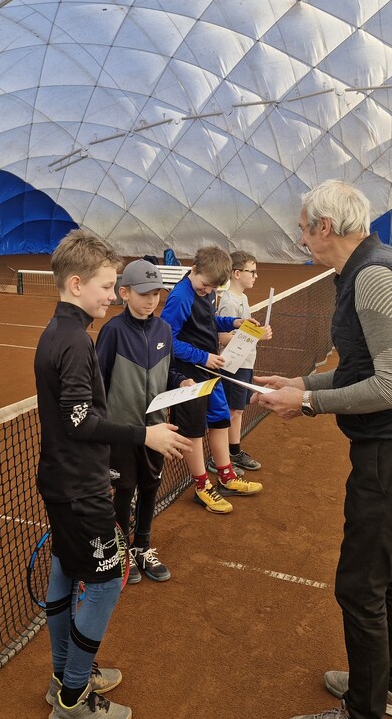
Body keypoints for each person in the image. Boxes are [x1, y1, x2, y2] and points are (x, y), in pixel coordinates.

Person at [254, 180, 392, 719]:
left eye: (303, 228)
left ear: (324, 226)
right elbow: (361, 370)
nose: (301, 238)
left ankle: (364, 709)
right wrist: (301, 382)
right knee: (390, 571)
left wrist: (307, 403)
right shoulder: (370, 268)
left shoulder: (374, 276)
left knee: (360, 587)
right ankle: (390, 686)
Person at [35, 230, 192, 719]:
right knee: (104, 584)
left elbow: (73, 418)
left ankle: (64, 678)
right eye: (106, 286)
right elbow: (80, 420)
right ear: (76, 284)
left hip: (63, 480)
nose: (111, 295)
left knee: (65, 572)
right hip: (79, 488)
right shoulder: (75, 341)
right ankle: (74, 697)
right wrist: (145, 435)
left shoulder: (57, 332)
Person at [95, 259, 193, 584]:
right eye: (144, 294)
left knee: (150, 487)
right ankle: (121, 550)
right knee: (124, 490)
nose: (151, 300)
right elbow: (99, 383)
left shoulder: (164, 330)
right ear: (124, 293)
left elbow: (169, 371)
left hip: (157, 430)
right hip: (123, 432)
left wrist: (180, 382)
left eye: (156, 293)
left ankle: (142, 547)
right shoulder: (112, 332)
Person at [160, 246, 264, 514]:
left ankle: (226, 476)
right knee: (194, 431)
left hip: (210, 371)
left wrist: (232, 322)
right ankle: (202, 486)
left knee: (220, 419)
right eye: (205, 286)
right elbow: (166, 339)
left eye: (213, 288)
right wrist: (203, 357)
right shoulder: (180, 297)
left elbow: (207, 323)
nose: (207, 291)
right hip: (188, 377)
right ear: (193, 269)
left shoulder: (206, 290)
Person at [209, 250, 273, 474]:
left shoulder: (242, 298)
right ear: (237, 273)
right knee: (230, 411)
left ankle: (233, 452)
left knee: (237, 411)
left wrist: (255, 332)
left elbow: (241, 332)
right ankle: (218, 458)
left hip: (244, 363)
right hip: (232, 366)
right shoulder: (228, 302)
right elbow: (223, 337)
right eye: (251, 271)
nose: (255, 276)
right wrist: (256, 336)